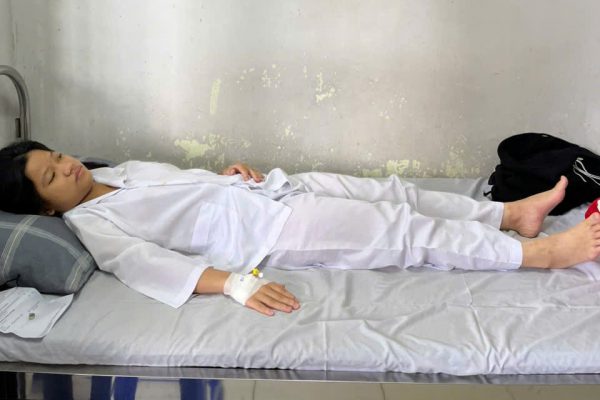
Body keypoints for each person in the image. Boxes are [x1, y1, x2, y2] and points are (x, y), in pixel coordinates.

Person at [1, 140, 600, 317]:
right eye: (52, 176)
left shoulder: (114, 173)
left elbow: (180, 188)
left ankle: (508, 215)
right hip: (274, 231)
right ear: (45, 208)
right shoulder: (94, 223)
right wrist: (235, 284)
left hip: (267, 190)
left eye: (57, 156)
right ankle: (541, 254)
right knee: (399, 228)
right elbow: (144, 264)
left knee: (391, 191)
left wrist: (224, 175)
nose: (67, 166)